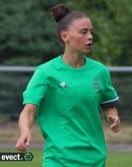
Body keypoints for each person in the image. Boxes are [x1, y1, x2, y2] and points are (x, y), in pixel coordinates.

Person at [15, 3, 120, 167]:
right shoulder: (45, 72)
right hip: (58, 160)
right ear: (65, 36)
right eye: (83, 32)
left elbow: (109, 105)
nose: (90, 36)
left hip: (95, 159)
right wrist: (25, 131)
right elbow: (28, 112)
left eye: (91, 31)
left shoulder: (100, 72)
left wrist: (113, 117)